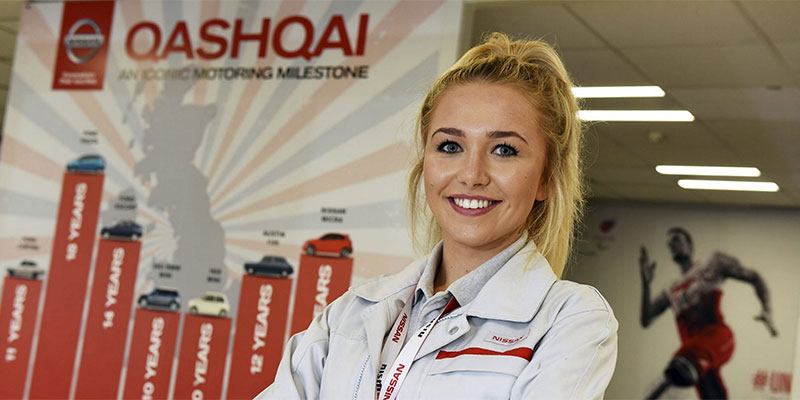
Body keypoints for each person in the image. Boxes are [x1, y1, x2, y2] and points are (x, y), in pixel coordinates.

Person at [259, 33, 618, 399]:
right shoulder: (350, 313)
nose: (471, 174)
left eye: (504, 150)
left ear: (545, 178)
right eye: (450, 146)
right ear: (425, 163)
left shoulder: (571, 321)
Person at [640, 227, 777, 399]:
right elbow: (646, 319)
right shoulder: (671, 290)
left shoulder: (713, 264)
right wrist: (646, 285)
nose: (672, 245)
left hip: (716, 338)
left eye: (676, 239)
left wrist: (767, 310)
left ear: (689, 244)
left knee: (676, 371)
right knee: (712, 394)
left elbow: (754, 277)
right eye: (669, 244)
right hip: (694, 356)